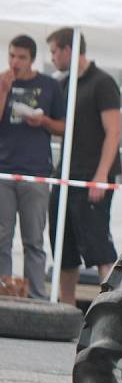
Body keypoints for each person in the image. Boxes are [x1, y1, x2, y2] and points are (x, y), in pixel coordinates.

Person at [46, 27, 121, 307]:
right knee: (62, 246)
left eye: (54, 51)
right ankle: (67, 310)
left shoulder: (102, 83)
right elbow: (64, 129)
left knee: (98, 243)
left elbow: (113, 131)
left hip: (93, 176)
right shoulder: (64, 85)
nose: (52, 58)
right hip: (65, 174)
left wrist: (101, 175)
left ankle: (112, 308)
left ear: (69, 49)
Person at [0, 34, 65, 299]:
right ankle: (4, 294)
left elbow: (63, 127)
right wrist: (4, 90)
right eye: (12, 55)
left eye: (21, 57)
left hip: (36, 172)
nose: (15, 62)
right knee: (2, 237)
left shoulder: (50, 85)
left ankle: (37, 297)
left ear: (32, 59)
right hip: (3, 170)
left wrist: (44, 122)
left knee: (34, 240)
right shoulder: (2, 81)